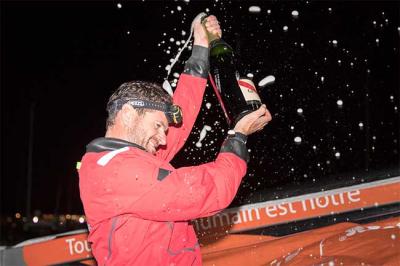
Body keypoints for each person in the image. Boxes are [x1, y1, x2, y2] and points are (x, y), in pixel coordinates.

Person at [78, 15, 272, 265]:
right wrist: (238, 137)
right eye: (158, 126)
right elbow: (204, 191)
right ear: (128, 114)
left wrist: (201, 47)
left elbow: (180, 121)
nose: (163, 138)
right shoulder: (116, 172)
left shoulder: (126, 158)